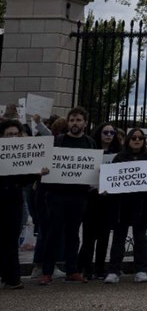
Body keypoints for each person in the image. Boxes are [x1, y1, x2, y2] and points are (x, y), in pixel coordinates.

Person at [38, 107, 96, 285]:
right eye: (72, 120)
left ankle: (72, 269)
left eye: (78, 120)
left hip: (78, 195)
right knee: (53, 233)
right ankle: (47, 271)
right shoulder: (58, 141)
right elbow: (46, 162)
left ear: (85, 123)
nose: (75, 123)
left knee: (73, 233)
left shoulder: (90, 143)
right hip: (57, 194)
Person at [104, 128, 147, 284]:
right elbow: (111, 179)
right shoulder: (120, 157)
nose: (137, 140)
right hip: (122, 205)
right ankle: (114, 270)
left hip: (142, 204)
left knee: (140, 238)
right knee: (119, 238)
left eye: (140, 138)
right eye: (134, 137)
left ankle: (141, 270)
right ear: (128, 140)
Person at [79, 122, 122, 279]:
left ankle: (100, 267)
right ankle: (86, 267)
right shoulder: (91, 150)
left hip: (109, 198)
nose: (109, 135)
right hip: (92, 197)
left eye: (112, 133)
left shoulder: (118, 153)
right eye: (106, 132)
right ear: (99, 133)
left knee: (104, 235)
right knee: (89, 235)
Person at [2, 120, 40, 289]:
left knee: (11, 240)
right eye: (9, 134)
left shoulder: (24, 154)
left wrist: (37, 173)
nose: (13, 137)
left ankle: (12, 278)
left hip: (13, 200)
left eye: (16, 134)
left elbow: (24, 180)